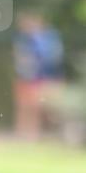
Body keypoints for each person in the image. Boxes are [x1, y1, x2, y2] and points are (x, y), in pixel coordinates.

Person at [13, 11, 65, 139]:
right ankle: (28, 135)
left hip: (48, 77)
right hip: (30, 78)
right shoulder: (24, 39)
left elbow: (53, 58)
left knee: (51, 108)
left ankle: (53, 133)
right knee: (28, 107)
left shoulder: (49, 38)